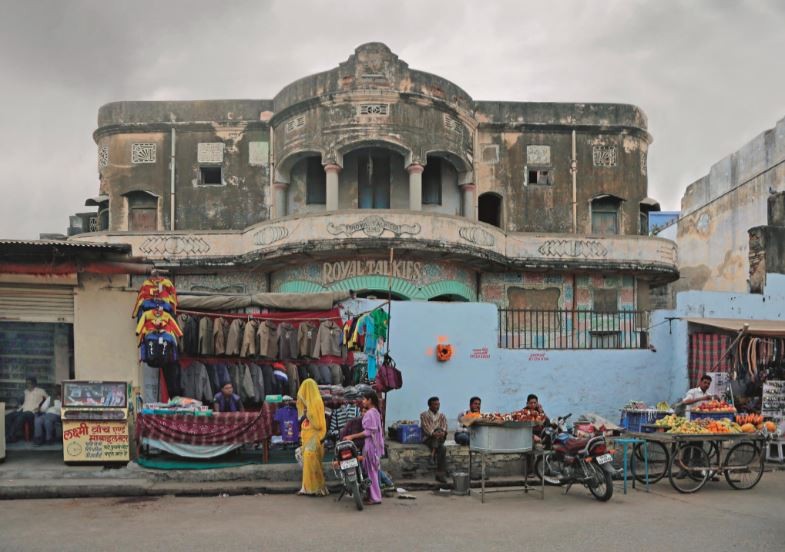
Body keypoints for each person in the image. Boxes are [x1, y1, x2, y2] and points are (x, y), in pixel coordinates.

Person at [342, 390, 385, 505]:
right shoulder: (375, 412)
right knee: (371, 472)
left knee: (371, 473)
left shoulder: (371, 413)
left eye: (364, 399)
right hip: (373, 445)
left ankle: (375, 498)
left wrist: (352, 436)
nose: (363, 401)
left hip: (371, 446)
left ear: (370, 400)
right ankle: (372, 495)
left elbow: (368, 432)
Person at [296, 378, 328, 496]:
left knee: (310, 457)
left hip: (317, 435)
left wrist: (309, 415)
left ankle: (317, 488)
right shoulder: (311, 402)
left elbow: (318, 424)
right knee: (308, 460)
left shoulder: (316, 402)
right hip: (311, 435)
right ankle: (308, 488)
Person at [5, 377, 48, 443]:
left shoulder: (41, 391)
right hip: (22, 410)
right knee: (8, 417)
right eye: (26, 383)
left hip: (32, 412)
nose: (27, 385)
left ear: (34, 383)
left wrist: (41, 408)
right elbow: (23, 401)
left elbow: (48, 401)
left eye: (29, 383)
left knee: (21, 417)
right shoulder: (26, 391)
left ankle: (10, 436)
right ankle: (8, 435)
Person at [420, 396, 448, 483]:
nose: (437, 406)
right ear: (430, 406)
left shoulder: (442, 416)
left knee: (439, 432)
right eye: (435, 404)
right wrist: (433, 433)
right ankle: (440, 475)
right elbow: (425, 427)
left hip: (439, 438)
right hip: (428, 438)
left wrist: (442, 432)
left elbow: (444, 426)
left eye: (438, 404)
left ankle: (432, 455)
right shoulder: (424, 415)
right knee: (442, 448)